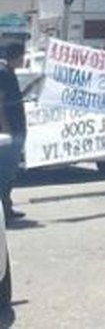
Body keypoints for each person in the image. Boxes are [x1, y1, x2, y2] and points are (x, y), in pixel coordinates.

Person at [0, 40, 27, 224]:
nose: (23, 60)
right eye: (22, 56)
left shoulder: (9, 72)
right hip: (10, 130)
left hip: (16, 127)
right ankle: (4, 209)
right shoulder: (3, 73)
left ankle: (7, 206)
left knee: (10, 171)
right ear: (15, 56)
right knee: (6, 171)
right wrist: (7, 128)